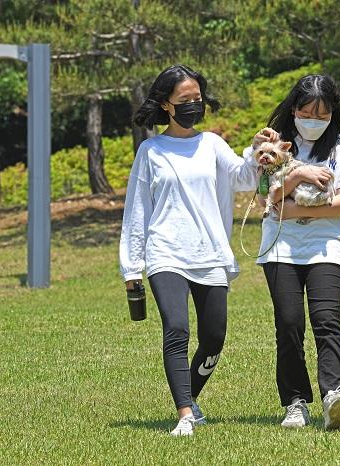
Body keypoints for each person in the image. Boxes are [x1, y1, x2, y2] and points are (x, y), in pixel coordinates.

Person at [120, 64, 258, 436]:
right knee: (177, 329)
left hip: (210, 253)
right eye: (186, 100)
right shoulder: (150, 151)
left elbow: (244, 177)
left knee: (214, 338)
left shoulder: (212, 144)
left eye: (198, 99)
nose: (194, 105)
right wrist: (132, 268)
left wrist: (259, 151)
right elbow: (137, 211)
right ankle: (184, 414)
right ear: (166, 104)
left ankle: (190, 399)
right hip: (165, 254)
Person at [249, 74, 340, 430]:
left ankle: (336, 395)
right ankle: (295, 402)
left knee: (326, 321)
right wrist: (300, 177)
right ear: (293, 110)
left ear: (333, 113)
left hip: (325, 247)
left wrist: (295, 209)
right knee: (288, 324)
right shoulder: (274, 147)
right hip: (279, 248)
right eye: (306, 112)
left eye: (322, 114)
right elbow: (265, 196)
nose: (313, 120)